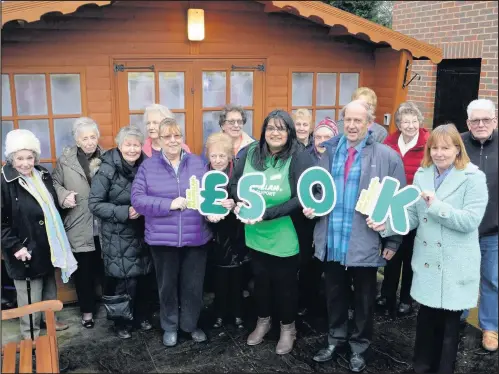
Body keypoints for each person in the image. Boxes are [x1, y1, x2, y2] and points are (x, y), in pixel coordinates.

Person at [368, 123, 488, 374]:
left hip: (455, 263)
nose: (439, 153)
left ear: (457, 149)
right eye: (434, 148)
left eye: (446, 148)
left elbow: (470, 221)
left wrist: (436, 206)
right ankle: (420, 368)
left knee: (448, 328)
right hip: (427, 261)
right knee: (425, 322)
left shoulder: (473, 177)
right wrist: (386, 226)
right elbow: (412, 215)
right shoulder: (423, 175)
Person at [305, 100, 405, 372]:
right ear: (342, 121)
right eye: (347, 120)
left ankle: (359, 347)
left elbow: (397, 202)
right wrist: (311, 206)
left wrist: (393, 239)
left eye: (358, 121)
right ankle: (335, 338)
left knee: (364, 300)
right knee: (334, 294)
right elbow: (317, 191)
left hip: (365, 240)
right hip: (333, 237)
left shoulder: (387, 157)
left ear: (369, 123)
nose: (351, 125)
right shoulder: (328, 152)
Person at [229, 109, 314, 355]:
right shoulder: (250, 152)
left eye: (281, 128)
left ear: (289, 132)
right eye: (270, 128)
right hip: (255, 234)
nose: (275, 133)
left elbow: (302, 196)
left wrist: (266, 213)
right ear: (264, 131)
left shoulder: (299, 157)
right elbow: (234, 183)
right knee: (261, 282)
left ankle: (288, 328)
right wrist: (242, 202)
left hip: (286, 233)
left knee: (285, 285)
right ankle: (263, 321)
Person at [131, 117, 212, 347]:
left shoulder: (197, 163)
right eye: (167, 136)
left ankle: (190, 325)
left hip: (196, 236)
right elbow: (138, 200)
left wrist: (219, 206)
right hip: (162, 239)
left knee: (193, 286)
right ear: (159, 139)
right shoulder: (148, 166)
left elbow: (209, 194)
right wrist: (169, 204)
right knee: (167, 286)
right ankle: (170, 326)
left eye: (177, 135)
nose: (173, 140)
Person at [2, 129, 75, 339]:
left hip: (45, 243)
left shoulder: (42, 173)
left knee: (48, 287)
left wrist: (65, 202)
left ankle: (48, 320)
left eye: (30, 157)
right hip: (22, 248)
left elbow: (51, 206)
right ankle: (30, 333)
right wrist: (16, 246)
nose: (26, 163)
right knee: (29, 294)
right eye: (20, 158)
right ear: (11, 158)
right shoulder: (4, 182)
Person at [88, 126, 154, 339]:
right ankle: (121, 323)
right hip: (117, 234)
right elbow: (95, 204)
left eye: (136, 144)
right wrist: (124, 212)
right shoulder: (106, 169)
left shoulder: (146, 166)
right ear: (119, 145)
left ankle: (141, 316)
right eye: (128, 144)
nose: (133, 149)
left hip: (143, 231)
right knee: (122, 280)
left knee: (144, 276)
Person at [377, 102, 430, 318]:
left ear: (420, 122)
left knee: (410, 254)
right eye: (405, 121)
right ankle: (387, 294)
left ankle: (406, 298)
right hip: (393, 205)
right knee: (391, 251)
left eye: (414, 121)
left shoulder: (428, 143)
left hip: (417, 207)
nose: (410, 125)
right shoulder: (389, 143)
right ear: (399, 123)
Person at [53, 117, 104, 329]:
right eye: (85, 138)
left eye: (93, 136)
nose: (90, 141)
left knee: (107, 270)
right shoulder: (66, 160)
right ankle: (87, 312)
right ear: (77, 139)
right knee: (83, 273)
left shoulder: (108, 157)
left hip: (104, 225)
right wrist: (63, 195)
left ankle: (114, 309)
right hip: (78, 223)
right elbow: (54, 183)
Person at [461, 98, 498, 352]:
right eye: (476, 120)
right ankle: (457, 319)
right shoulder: (458, 144)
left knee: (492, 280)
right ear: (468, 123)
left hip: (493, 231)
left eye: (486, 119)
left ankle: (490, 328)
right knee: (462, 277)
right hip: (462, 230)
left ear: (495, 121)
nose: (481, 124)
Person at [204, 132, 248, 330]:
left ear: (229, 156)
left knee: (237, 274)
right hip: (214, 232)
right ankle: (220, 313)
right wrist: (206, 214)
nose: (217, 160)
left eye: (221, 156)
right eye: (214, 156)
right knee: (218, 276)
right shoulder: (204, 173)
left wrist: (235, 202)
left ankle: (238, 312)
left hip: (235, 231)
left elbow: (247, 200)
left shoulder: (238, 173)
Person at [297, 116, 339, 317]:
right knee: (308, 263)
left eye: (327, 137)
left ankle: (333, 304)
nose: (322, 141)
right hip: (309, 220)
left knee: (332, 266)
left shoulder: (340, 158)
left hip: (333, 221)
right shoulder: (305, 156)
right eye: (318, 136)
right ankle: (307, 300)